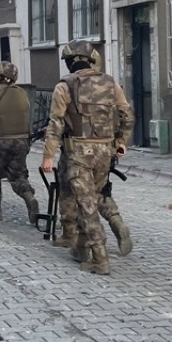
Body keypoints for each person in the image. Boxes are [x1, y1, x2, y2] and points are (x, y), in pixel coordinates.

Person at [41, 41, 133, 275]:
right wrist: (121, 142)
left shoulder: (65, 86)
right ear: (91, 59)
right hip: (105, 151)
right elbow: (126, 114)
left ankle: (100, 258)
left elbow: (56, 123)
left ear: (70, 62)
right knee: (97, 195)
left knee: (86, 203)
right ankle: (85, 245)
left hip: (78, 152)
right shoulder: (111, 82)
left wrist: (48, 155)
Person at [0, 62, 39, 222]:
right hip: (22, 141)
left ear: (2, 78)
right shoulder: (22, 93)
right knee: (17, 175)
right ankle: (29, 197)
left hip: (0, 141)